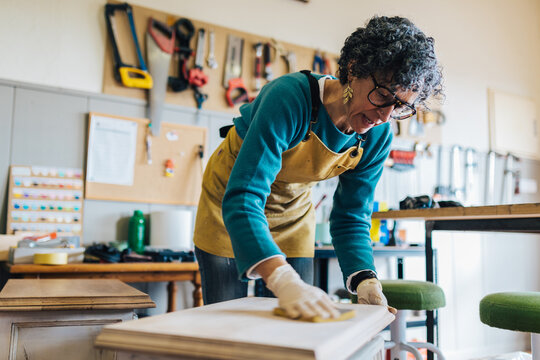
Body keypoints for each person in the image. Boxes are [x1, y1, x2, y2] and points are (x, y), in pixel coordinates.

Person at [193, 15, 443, 320]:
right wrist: (282, 279)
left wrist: (366, 280)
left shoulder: (377, 136)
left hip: (293, 213)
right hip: (230, 203)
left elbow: (351, 216)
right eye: (382, 95)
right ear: (353, 69)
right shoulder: (290, 98)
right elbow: (244, 196)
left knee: (294, 327)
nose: (384, 115)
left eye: (402, 107)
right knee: (225, 323)